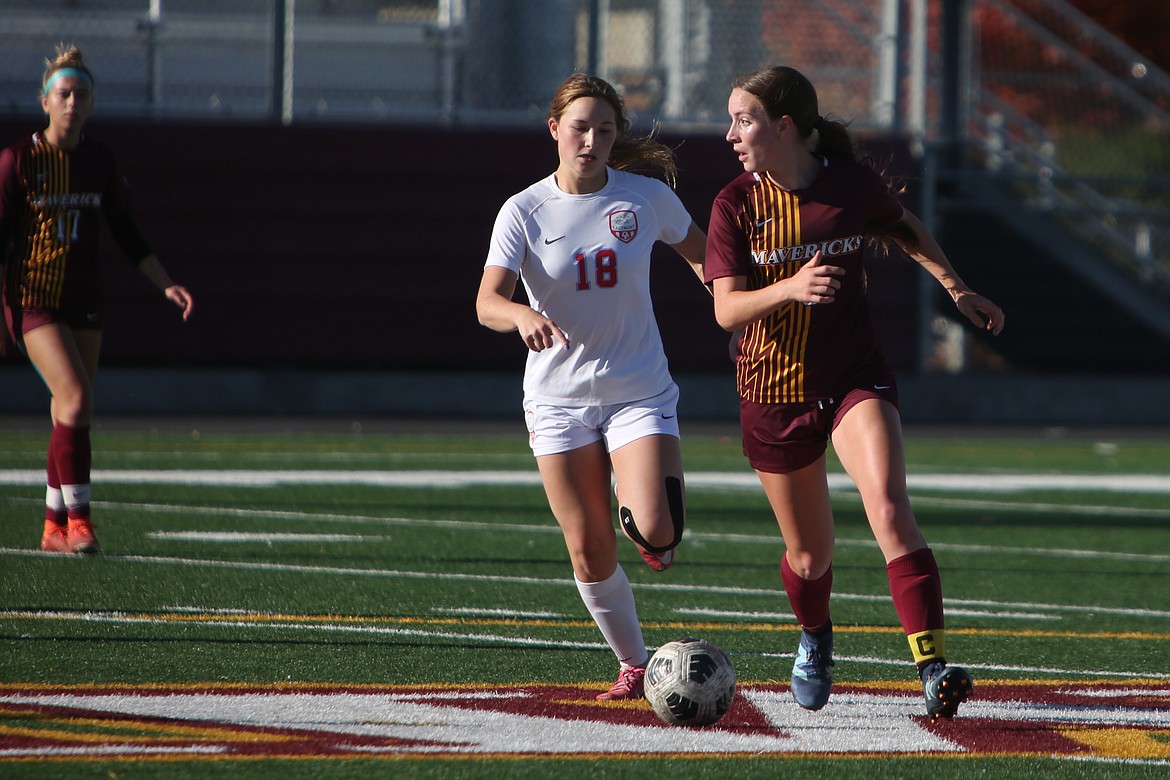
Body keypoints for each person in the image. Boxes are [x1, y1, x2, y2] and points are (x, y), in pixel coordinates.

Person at [704, 65, 1005, 719]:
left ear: (784, 127)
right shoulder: (736, 203)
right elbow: (726, 311)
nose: (731, 133)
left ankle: (931, 667)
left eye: (743, 119)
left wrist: (957, 288)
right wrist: (790, 287)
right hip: (773, 393)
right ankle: (815, 636)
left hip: (852, 377)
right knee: (810, 558)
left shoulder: (850, 185)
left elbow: (904, 227)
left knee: (891, 509)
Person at [475, 73, 708, 701]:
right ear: (555, 130)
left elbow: (707, 259)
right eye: (580, 127)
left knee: (657, 528)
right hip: (557, 401)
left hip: (638, 389)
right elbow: (487, 302)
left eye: (605, 130)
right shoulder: (523, 210)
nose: (592, 139)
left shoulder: (646, 197)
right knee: (587, 547)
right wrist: (521, 315)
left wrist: (747, 297)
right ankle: (634, 664)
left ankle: (648, 519)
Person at [0, 44, 194, 555]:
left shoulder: (99, 160)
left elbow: (126, 230)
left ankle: (51, 528)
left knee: (69, 409)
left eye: (81, 94)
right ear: (44, 101)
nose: (72, 102)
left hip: (83, 297)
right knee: (77, 398)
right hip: (33, 299)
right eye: (63, 93)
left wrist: (165, 282)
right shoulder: (18, 160)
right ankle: (81, 523)